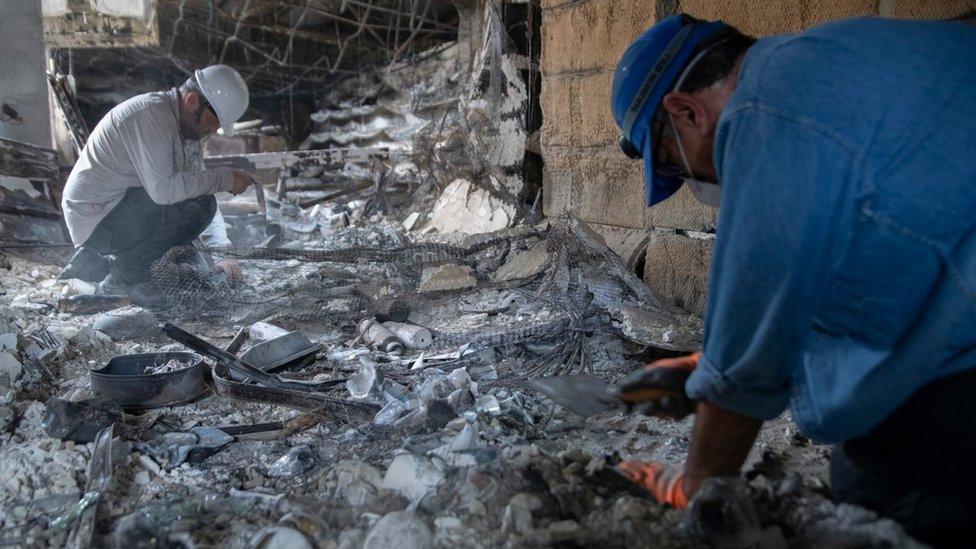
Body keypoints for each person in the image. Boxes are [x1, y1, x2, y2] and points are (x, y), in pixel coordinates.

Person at [609, 14, 976, 545]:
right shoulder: (838, 55)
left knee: (877, 485)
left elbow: (747, 358)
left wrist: (697, 491)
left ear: (685, 111)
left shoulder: (764, 116)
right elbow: (867, 271)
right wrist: (699, 369)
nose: (698, 180)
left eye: (675, 164)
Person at [60, 64, 252, 305]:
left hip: (119, 210)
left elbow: (196, 191)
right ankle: (121, 280)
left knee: (198, 255)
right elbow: (165, 191)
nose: (215, 129)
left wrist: (220, 253)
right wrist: (225, 178)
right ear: (192, 100)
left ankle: (115, 266)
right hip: (95, 219)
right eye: (214, 121)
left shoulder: (187, 132)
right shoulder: (150, 116)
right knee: (198, 209)